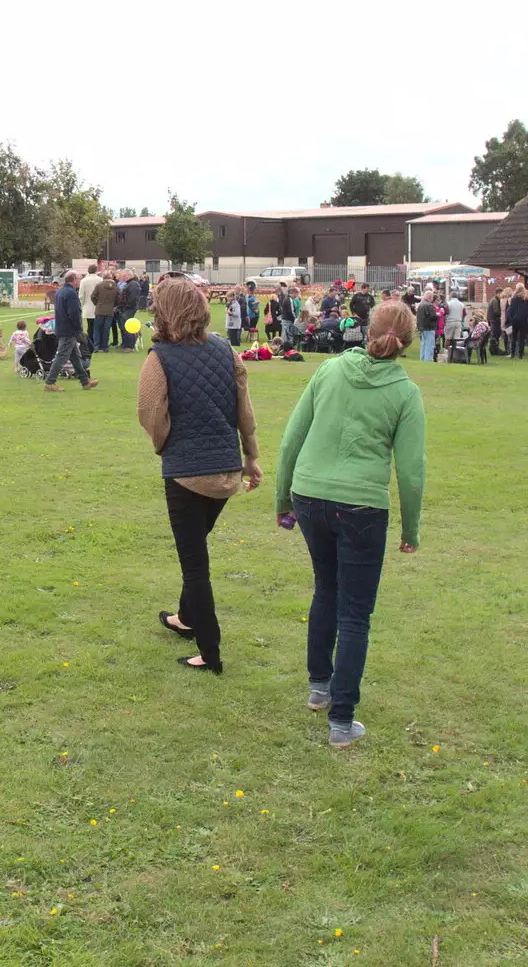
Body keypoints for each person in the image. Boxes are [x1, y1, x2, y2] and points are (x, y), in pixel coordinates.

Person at [276, 299, 426, 748]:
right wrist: (411, 530)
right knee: (355, 612)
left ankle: (321, 687)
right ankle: (340, 718)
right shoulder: (402, 391)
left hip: (311, 495)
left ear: (367, 328)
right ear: (407, 342)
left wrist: (282, 498)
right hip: (359, 506)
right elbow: (413, 471)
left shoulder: (335, 372)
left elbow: (290, 440)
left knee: (328, 590)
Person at [139, 276, 262, 675]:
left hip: (188, 474)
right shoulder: (227, 351)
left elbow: (151, 414)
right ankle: (185, 618)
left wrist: (163, 446)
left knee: (195, 564)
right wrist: (251, 457)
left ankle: (210, 653)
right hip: (225, 471)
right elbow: (245, 411)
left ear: (165, 311)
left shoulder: (159, 357)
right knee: (196, 547)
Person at [44, 271, 97, 392]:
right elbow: (74, 313)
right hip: (69, 330)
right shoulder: (71, 293)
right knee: (62, 356)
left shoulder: (60, 291)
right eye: (79, 278)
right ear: (73, 280)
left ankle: (85, 381)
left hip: (62, 328)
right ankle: (50, 382)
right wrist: (79, 328)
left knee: (75, 357)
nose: (80, 280)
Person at [91, 270, 118, 352]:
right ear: (111, 277)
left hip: (100, 309)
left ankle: (96, 346)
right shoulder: (115, 286)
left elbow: (93, 296)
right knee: (106, 329)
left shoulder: (99, 285)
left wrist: (97, 304)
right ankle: (105, 346)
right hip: (110, 310)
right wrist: (113, 305)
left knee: (97, 328)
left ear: (103, 277)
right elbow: (119, 297)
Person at [415, 290, 438, 363]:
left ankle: (422, 359)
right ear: (429, 297)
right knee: (429, 345)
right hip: (429, 328)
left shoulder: (421, 305)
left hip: (422, 328)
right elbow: (433, 316)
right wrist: (438, 315)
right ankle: (428, 360)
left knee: (423, 345)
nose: (432, 300)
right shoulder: (429, 305)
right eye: (432, 298)